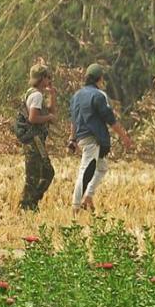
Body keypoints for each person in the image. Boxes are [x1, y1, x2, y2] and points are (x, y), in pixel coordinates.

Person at [69, 63, 133, 213]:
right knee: (85, 172)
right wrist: (125, 138)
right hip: (93, 139)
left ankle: (88, 197)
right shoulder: (98, 95)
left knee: (102, 168)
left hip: (82, 138)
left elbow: (73, 120)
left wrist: (72, 139)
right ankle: (75, 208)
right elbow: (111, 120)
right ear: (100, 79)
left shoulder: (76, 95)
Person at [19, 63, 58, 211]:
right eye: (48, 78)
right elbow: (33, 118)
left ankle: (30, 203)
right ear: (42, 79)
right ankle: (28, 204)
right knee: (38, 173)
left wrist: (52, 96)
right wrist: (48, 117)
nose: (50, 81)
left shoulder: (34, 93)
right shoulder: (36, 95)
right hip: (34, 139)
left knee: (39, 172)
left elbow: (51, 112)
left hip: (36, 139)